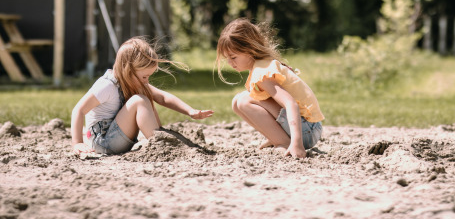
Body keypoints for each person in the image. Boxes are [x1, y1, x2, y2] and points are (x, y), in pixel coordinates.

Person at [71, 36, 214, 155]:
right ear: (128, 70)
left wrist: (190, 111)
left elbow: (162, 98)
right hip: (103, 142)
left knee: (145, 97)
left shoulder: (132, 81)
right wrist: (77, 143)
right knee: (140, 101)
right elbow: (78, 110)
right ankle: (158, 142)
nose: (147, 81)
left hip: (116, 138)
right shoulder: (107, 85)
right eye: (144, 77)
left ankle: (159, 136)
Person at [215, 18, 324, 158]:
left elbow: (290, 104)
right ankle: (277, 138)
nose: (230, 63)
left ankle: (284, 143)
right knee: (237, 102)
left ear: (249, 50)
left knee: (243, 101)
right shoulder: (261, 66)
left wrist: (297, 143)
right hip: (307, 128)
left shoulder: (262, 73)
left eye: (233, 57)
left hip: (307, 131)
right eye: (227, 58)